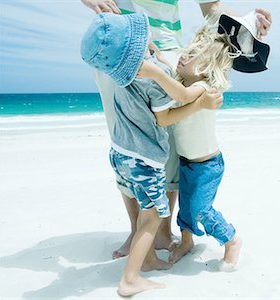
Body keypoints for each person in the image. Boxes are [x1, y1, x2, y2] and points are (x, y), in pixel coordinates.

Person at [81, 0, 272, 262]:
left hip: (168, 48)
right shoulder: (192, 77)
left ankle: (161, 231)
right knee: (129, 145)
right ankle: (139, 231)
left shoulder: (198, 81)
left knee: (174, 170)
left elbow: (212, 6)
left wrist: (247, 28)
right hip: (117, 46)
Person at [80, 12, 223, 296]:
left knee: (143, 205)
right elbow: (169, 113)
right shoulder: (153, 78)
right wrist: (201, 102)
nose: (150, 37)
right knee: (153, 215)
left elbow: (158, 68)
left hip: (120, 155)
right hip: (144, 160)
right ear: (137, 48)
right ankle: (130, 279)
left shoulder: (120, 73)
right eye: (144, 36)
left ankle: (147, 258)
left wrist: (156, 59)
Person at [137, 11, 270, 269]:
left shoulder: (204, 87)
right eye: (186, 51)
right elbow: (165, 59)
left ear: (207, 67)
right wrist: (152, 48)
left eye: (192, 55)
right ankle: (187, 241)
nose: (183, 56)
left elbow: (184, 96)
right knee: (186, 208)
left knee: (200, 209)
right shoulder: (182, 78)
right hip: (188, 161)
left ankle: (231, 240)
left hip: (208, 165)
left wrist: (155, 73)